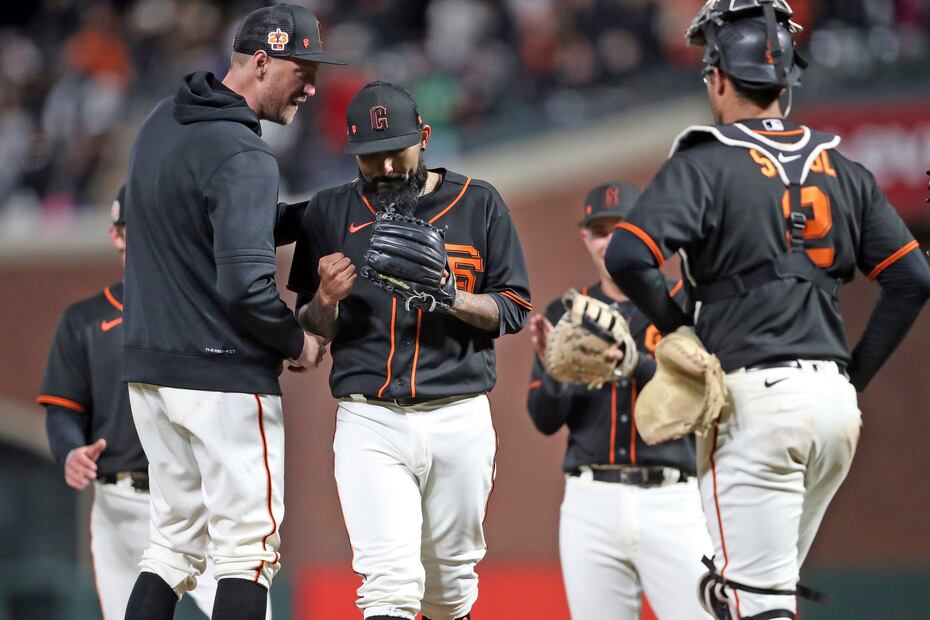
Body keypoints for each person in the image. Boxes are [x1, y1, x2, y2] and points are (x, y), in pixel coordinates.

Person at [604, 2, 930, 619]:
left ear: (719, 77)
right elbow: (912, 280)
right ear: (786, 82)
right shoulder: (844, 166)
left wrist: (679, 332)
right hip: (834, 411)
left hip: (755, 405)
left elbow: (627, 256)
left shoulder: (705, 159)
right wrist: (850, 380)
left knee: (757, 607)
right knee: (751, 594)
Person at [120, 5, 345, 619]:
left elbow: (212, 225)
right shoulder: (245, 155)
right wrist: (295, 344)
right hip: (220, 376)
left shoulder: (163, 121)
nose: (312, 87)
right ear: (262, 62)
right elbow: (246, 287)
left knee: (171, 545)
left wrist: (310, 216)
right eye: (302, 69)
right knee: (248, 550)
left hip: (151, 368)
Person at [287, 81, 532, 620]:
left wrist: (449, 297)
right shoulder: (329, 211)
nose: (386, 166)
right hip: (369, 419)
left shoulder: (479, 202)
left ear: (424, 137)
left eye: (396, 150)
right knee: (389, 584)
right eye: (370, 157)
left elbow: (512, 308)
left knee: (448, 592)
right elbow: (308, 341)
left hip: (459, 414)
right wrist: (324, 299)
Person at [37, 188, 273, 620]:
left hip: (197, 498)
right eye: (133, 229)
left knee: (248, 592)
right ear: (116, 235)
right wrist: (70, 449)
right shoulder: (84, 320)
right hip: (120, 502)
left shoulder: (202, 309)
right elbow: (63, 409)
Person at [526, 182, 712, 620]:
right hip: (591, 501)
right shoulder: (568, 313)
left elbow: (704, 393)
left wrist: (637, 365)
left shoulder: (683, 303)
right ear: (585, 237)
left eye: (622, 227)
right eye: (600, 230)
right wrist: (556, 372)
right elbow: (544, 419)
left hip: (673, 497)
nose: (610, 239)